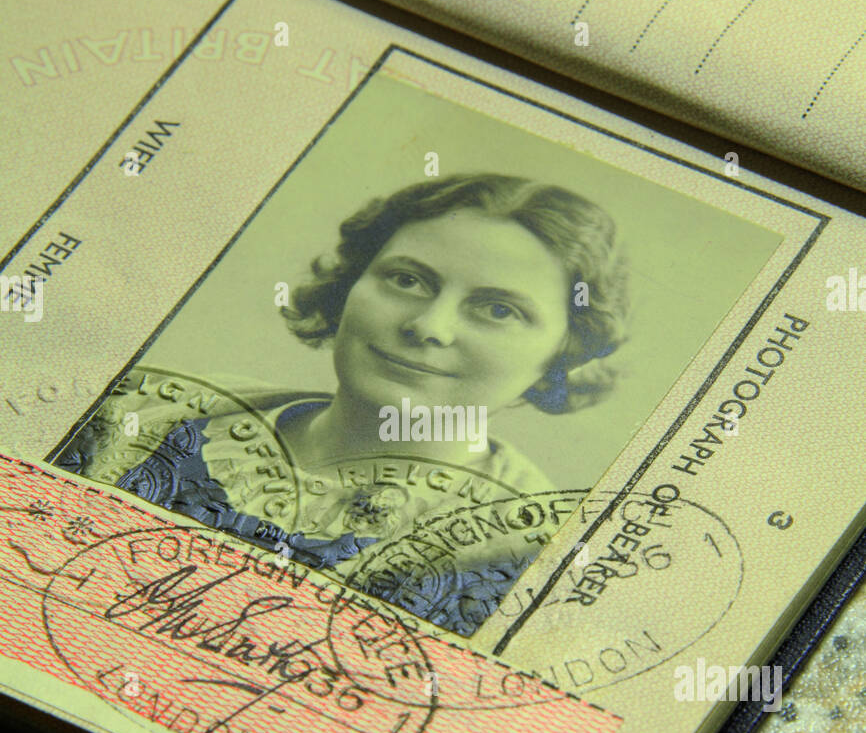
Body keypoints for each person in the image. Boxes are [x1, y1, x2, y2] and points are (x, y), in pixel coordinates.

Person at [56, 173, 629, 626]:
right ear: (350, 286)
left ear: (560, 355)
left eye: (498, 309)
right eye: (408, 280)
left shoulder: (523, 553)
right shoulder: (147, 414)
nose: (429, 325)